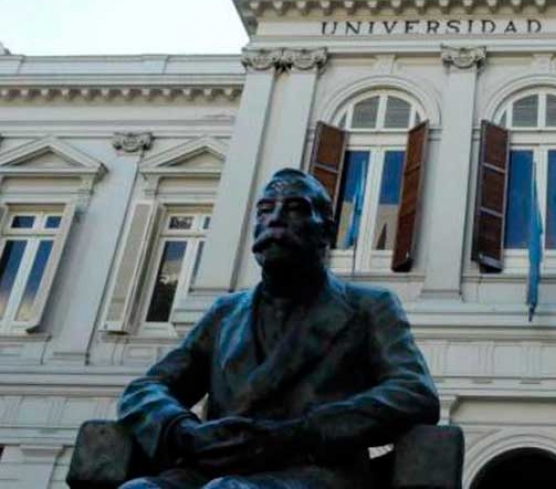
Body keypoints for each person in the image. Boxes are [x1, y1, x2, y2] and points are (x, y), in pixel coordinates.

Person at [118, 168, 440, 488]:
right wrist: (183, 432)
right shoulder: (225, 313)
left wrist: (299, 434)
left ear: (326, 232)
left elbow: (414, 392)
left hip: (314, 472)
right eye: (265, 209)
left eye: (295, 209)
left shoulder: (368, 307)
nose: (275, 219)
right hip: (211, 468)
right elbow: (145, 389)